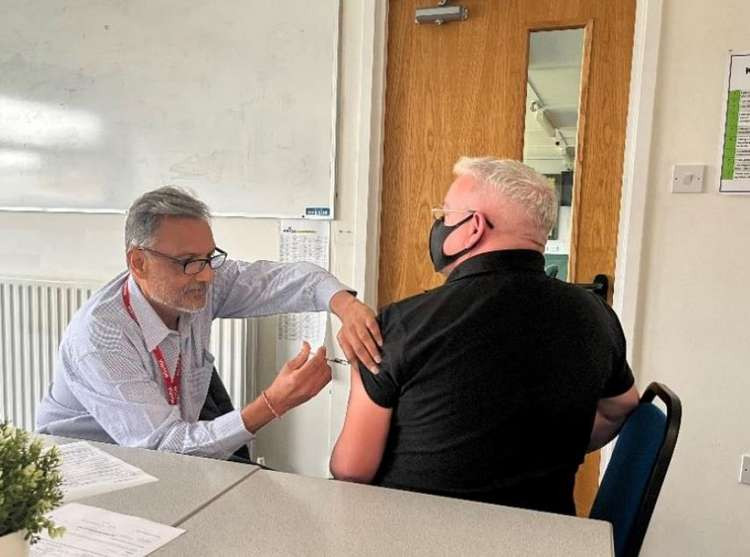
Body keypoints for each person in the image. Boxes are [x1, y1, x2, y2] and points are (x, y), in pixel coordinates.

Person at [330, 157, 639, 515]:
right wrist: (552, 446)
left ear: (475, 226)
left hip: (415, 536)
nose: (439, 226)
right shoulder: (596, 315)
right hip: (546, 537)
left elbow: (351, 470)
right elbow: (622, 407)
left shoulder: (401, 324)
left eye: (445, 215)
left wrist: (358, 371)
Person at [36, 186, 383, 460]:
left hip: (166, 454)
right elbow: (163, 448)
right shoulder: (100, 338)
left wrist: (346, 305)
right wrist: (272, 403)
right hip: (87, 470)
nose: (204, 275)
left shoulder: (202, 279)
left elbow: (293, 280)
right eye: (188, 262)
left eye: (209, 257)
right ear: (139, 263)